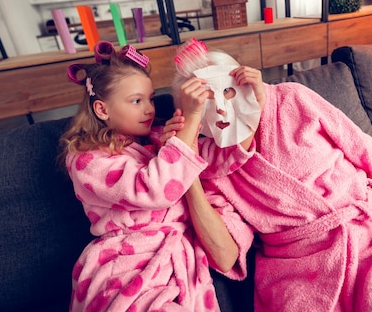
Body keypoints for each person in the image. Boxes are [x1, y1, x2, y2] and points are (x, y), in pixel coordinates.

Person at [166, 38, 372, 312]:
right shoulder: (212, 170)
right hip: (297, 269)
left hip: (367, 238)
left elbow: (369, 152)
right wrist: (186, 167)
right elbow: (225, 256)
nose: (221, 110)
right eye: (203, 106)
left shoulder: (292, 100)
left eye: (228, 92)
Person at [59, 41, 248, 312]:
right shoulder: (87, 159)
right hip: (125, 261)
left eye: (149, 98)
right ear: (102, 110)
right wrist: (189, 125)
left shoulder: (158, 138)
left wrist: (249, 109)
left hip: (177, 258)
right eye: (136, 101)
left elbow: (214, 161)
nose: (149, 109)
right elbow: (154, 189)